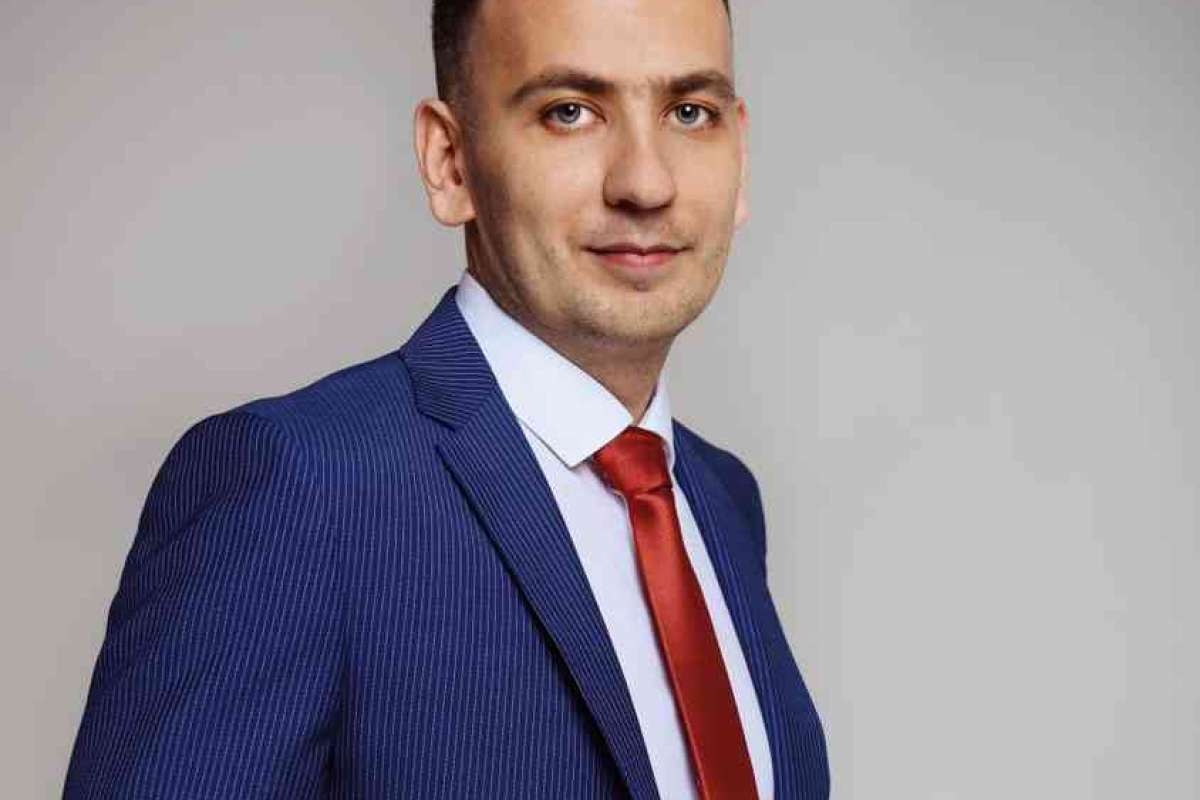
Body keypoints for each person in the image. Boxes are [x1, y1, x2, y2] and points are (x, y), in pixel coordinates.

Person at [63, 0, 829, 796]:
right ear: (449, 161)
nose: (645, 181)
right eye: (569, 111)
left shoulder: (722, 500)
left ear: (740, 153)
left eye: (689, 112)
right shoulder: (299, 486)